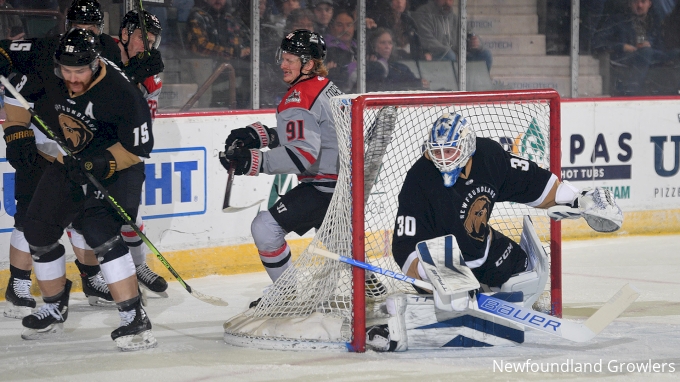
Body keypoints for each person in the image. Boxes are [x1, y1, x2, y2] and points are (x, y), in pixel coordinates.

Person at [369, 112, 623, 351]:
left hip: (483, 247)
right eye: (437, 151)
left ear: (468, 146)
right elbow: (404, 243)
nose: (443, 158)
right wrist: (437, 277)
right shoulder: (419, 179)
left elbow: (532, 183)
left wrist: (578, 199)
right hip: (444, 260)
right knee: (454, 305)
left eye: (450, 150)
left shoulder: (488, 157)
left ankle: (492, 305)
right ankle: (424, 315)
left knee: (526, 271)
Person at [1, 0, 166, 317]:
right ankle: (18, 282)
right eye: (78, 26)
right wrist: (16, 133)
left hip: (79, 147)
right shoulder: (48, 47)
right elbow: (16, 84)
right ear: (66, 24)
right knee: (30, 214)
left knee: (82, 214)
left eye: (91, 28)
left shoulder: (107, 49)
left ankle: (91, 279)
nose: (84, 33)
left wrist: (133, 73)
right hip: (41, 142)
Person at [219, 29, 341, 306]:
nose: (282, 65)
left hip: (325, 188)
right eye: (282, 58)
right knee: (342, 247)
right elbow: (309, 133)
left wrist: (251, 162)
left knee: (264, 227)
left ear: (308, 64)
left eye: (290, 60)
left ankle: (286, 296)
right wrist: (258, 135)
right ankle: (370, 288)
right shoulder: (324, 85)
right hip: (344, 184)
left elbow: (300, 155)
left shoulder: (299, 96)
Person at [186, 0, 252, 108]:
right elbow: (200, 46)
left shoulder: (229, 18)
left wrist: (246, 49)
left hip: (230, 70)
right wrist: (234, 52)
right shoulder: (197, 16)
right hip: (206, 72)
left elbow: (244, 40)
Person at [593, 0, 668, 95]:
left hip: (652, 58)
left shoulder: (655, 22)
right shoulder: (618, 20)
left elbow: (662, 47)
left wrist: (650, 46)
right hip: (626, 59)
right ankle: (632, 93)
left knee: (676, 54)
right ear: (630, 3)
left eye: (643, 2)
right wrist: (622, 46)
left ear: (649, 3)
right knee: (646, 52)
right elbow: (597, 42)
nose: (639, 5)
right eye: (635, 2)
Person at [412, 0, 492, 69]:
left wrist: (476, 43)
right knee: (450, 56)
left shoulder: (455, 18)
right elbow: (427, 41)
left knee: (485, 55)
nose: (447, 2)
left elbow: (470, 34)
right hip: (433, 58)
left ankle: (478, 86)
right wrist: (450, 53)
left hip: (454, 58)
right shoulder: (424, 13)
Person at [324, 9, 358, 92]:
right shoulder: (325, 49)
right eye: (340, 25)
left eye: (349, 25)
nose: (345, 29)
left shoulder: (359, 46)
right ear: (332, 27)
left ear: (354, 27)